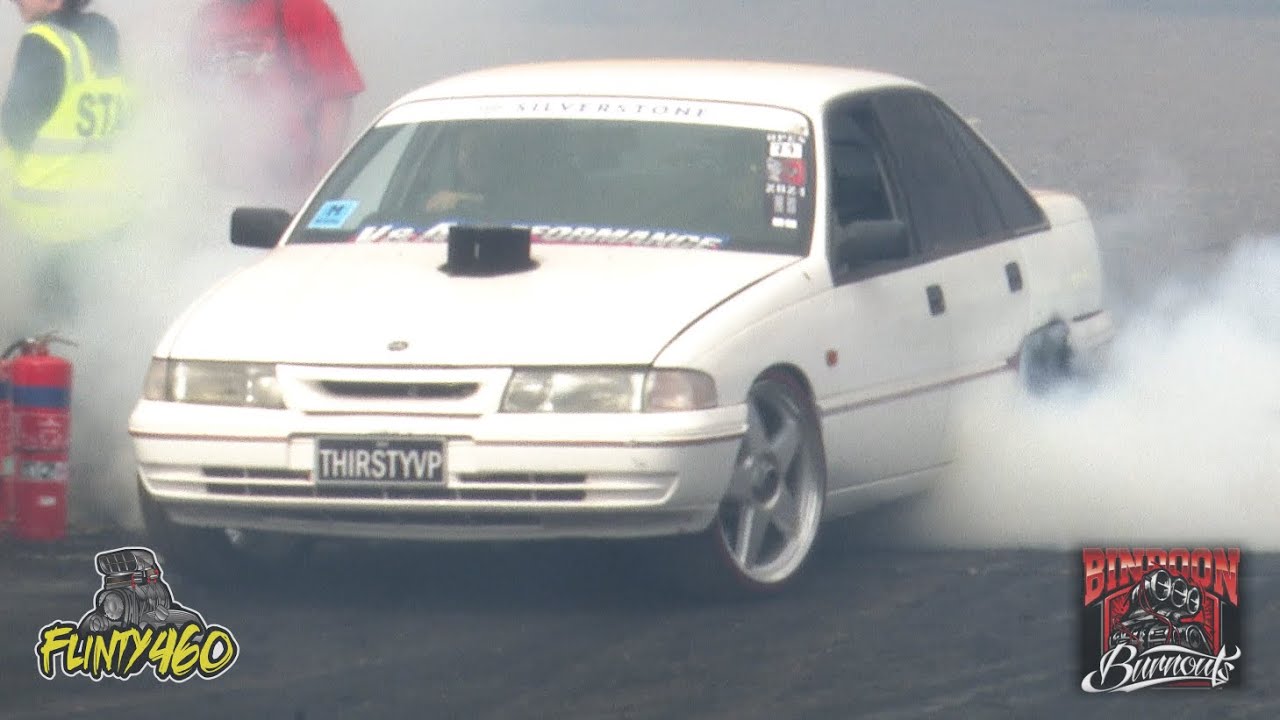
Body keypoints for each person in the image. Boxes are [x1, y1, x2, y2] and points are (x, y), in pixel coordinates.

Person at [1, 0, 133, 327]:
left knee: (47, 335)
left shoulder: (42, 42)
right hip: (105, 223)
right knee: (92, 329)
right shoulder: (103, 34)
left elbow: (13, 132)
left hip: (51, 232)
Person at [188, 0, 365, 206]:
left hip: (292, 183)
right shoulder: (207, 21)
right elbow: (193, 107)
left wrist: (319, 186)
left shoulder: (301, 9)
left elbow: (336, 98)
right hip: (227, 188)